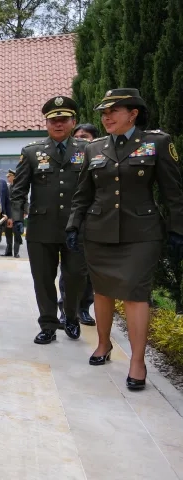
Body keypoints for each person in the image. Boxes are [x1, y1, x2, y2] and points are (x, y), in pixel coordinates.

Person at [66, 88, 183, 390]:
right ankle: (103, 345)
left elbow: (173, 193)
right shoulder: (94, 148)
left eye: (113, 111)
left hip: (141, 233)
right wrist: (73, 225)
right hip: (99, 231)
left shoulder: (156, 142)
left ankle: (137, 361)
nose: (106, 116)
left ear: (132, 114)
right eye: (103, 112)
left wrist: (177, 229)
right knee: (103, 291)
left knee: (135, 293)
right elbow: (83, 194)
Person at [11, 96, 89, 345]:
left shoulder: (87, 150)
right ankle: (48, 324)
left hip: (76, 227)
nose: (58, 124)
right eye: (54, 120)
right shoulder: (32, 152)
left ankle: (72, 317)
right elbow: (19, 191)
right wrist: (17, 217)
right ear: (46, 123)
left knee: (76, 276)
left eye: (64, 120)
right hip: (41, 227)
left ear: (73, 122)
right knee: (43, 279)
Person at [57, 123, 100, 326]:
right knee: (70, 270)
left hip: (95, 220)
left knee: (89, 270)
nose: (82, 139)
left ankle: (83, 308)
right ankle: (66, 308)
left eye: (87, 136)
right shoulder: (69, 157)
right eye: (79, 136)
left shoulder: (101, 158)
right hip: (72, 220)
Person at [0, 169, 24, 257]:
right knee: (8, 233)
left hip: (17, 213)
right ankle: (8, 251)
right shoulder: (7, 187)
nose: (7, 178)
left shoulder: (20, 186)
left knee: (17, 233)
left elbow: (25, 199)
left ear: (14, 176)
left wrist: (25, 211)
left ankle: (16, 253)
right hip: (9, 214)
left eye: (9, 176)